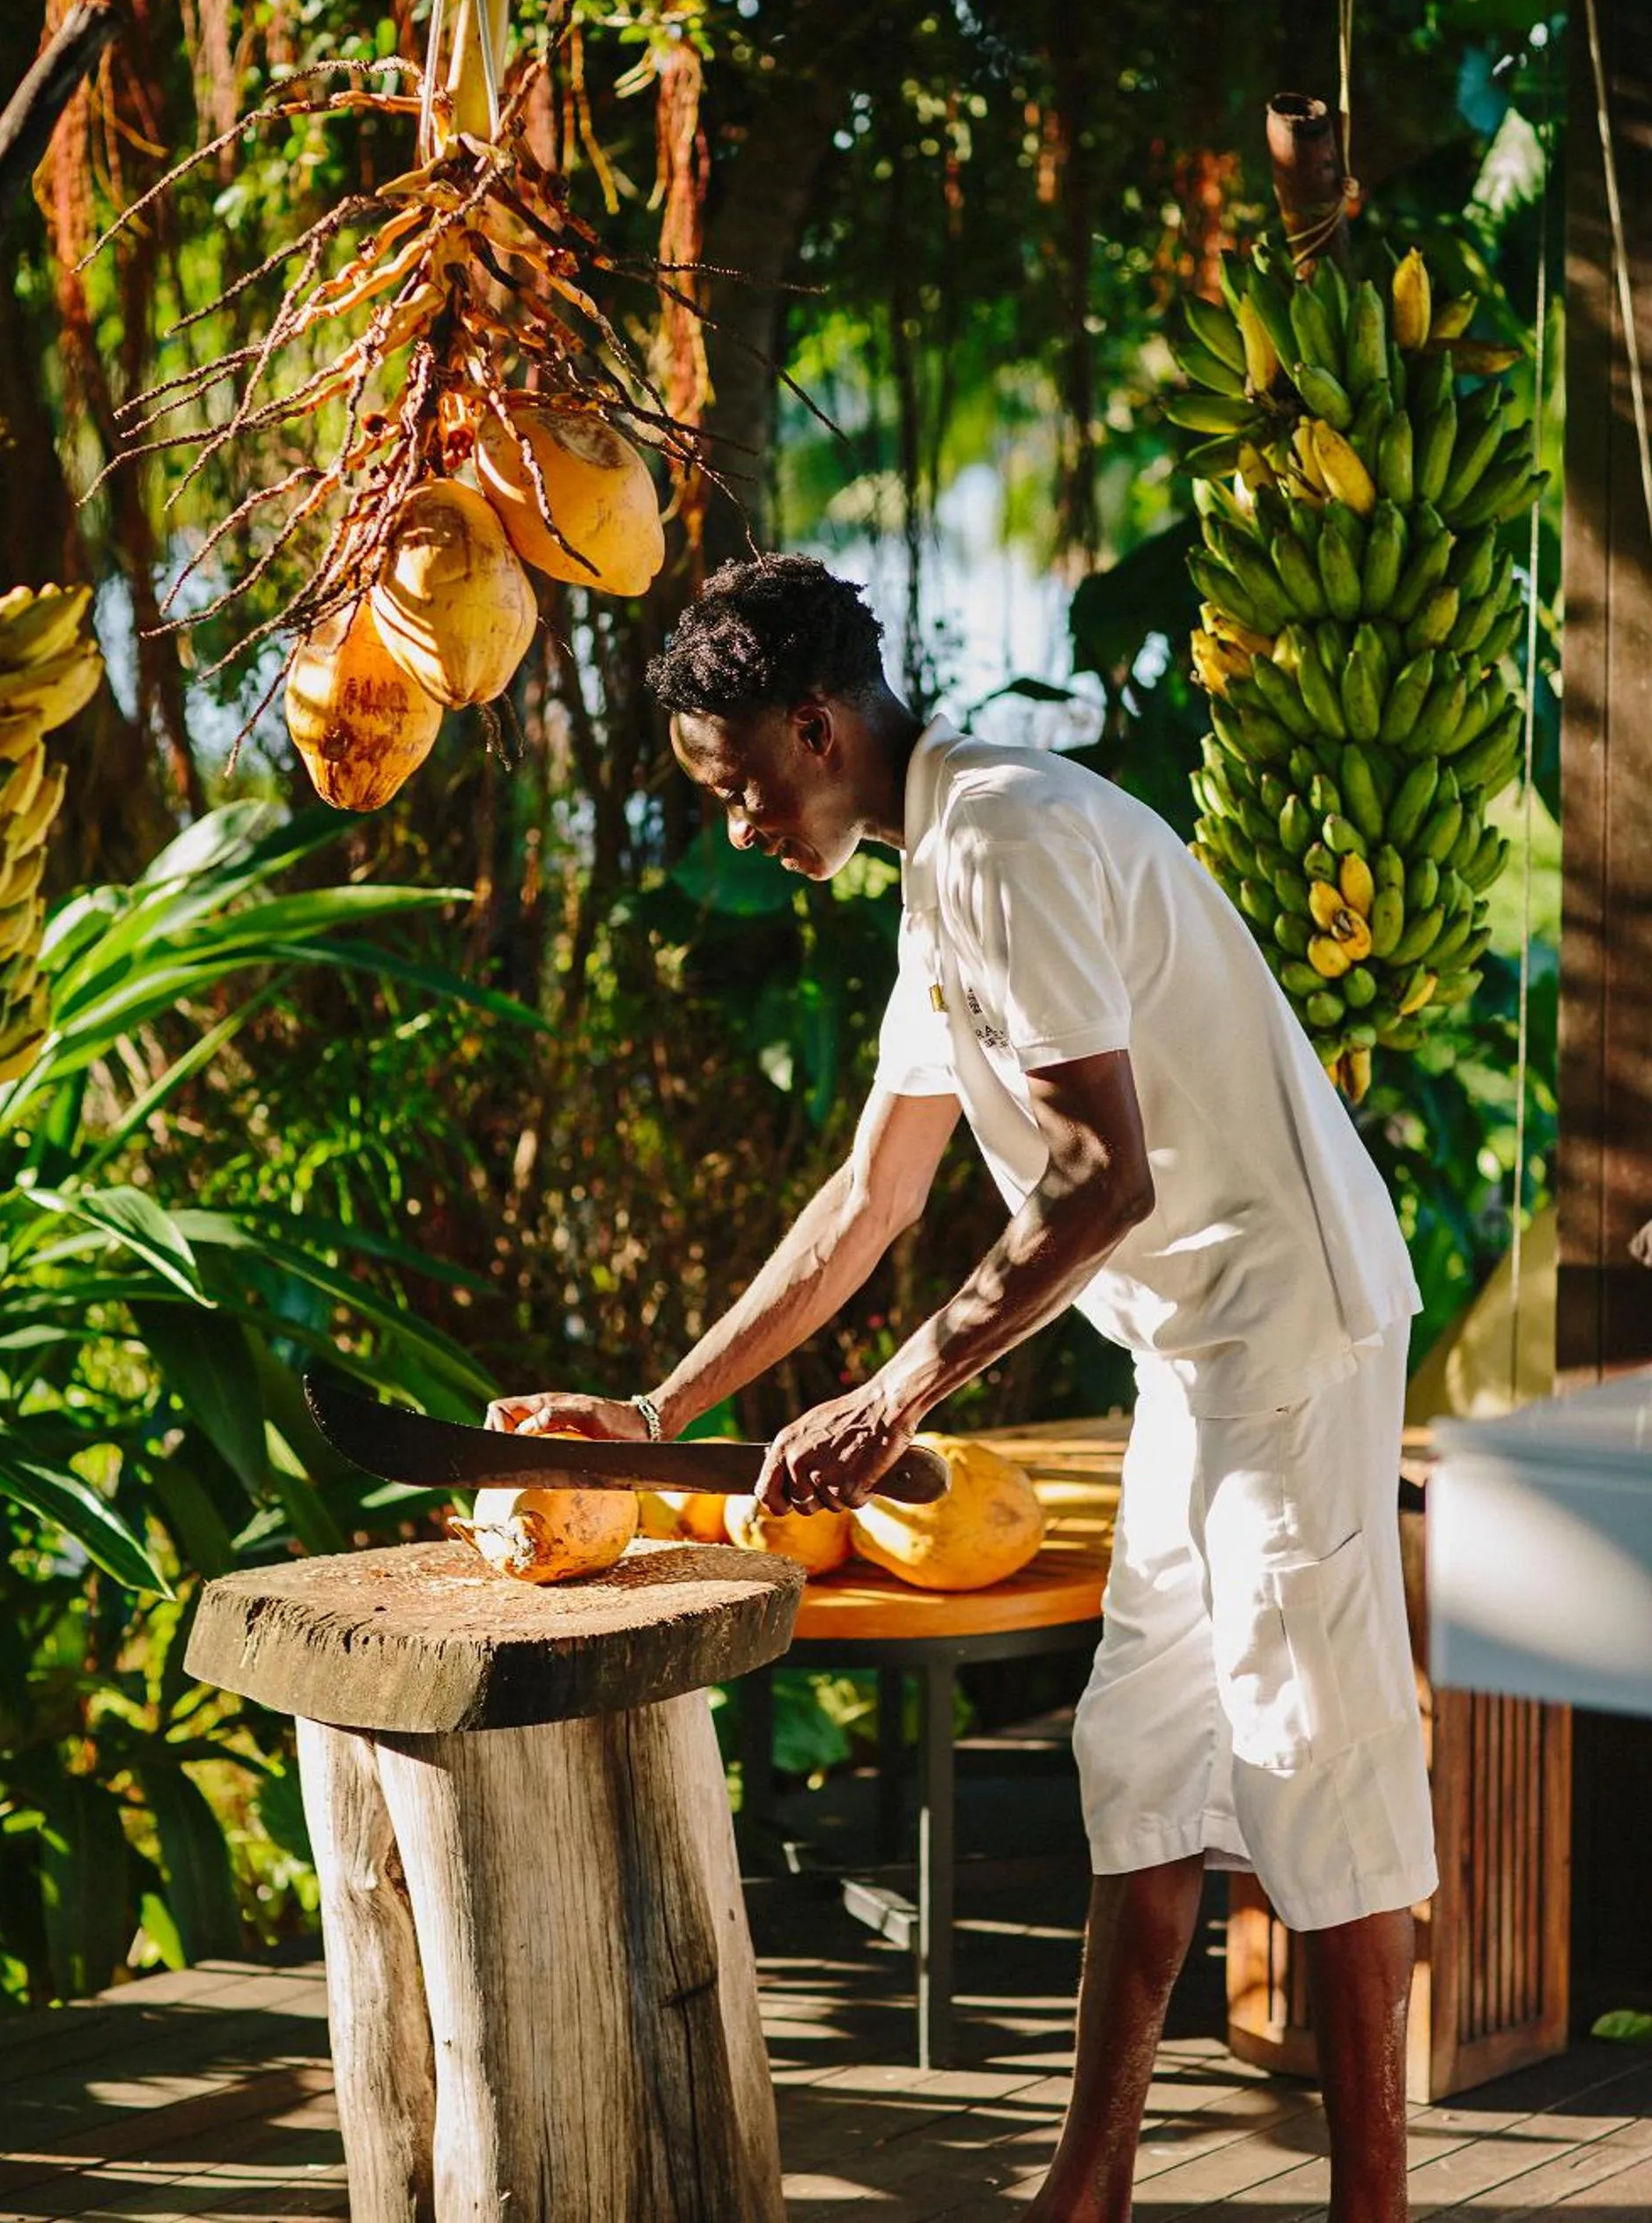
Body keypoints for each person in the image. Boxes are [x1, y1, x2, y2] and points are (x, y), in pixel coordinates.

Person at [487, 553, 1437, 2223]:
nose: (737, 825)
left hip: (1290, 1340)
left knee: (1318, 1768)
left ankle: (1375, 2207)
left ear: (816, 727)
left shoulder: (1004, 836)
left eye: (738, 784)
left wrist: (895, 1399)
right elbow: (869, 1199)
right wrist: (656, 1415)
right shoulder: (940, 873)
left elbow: (1100, 1179)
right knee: (1143, 1764)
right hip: (1189, 1360)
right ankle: (1086, 2191)